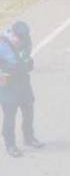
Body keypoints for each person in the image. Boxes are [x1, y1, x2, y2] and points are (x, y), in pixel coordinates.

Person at [0, 24, 37, 157]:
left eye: (22, 39)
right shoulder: (2, 46)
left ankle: (29, 137)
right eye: (17, 38)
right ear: (12, 34)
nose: (19, 41)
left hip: (23, 82)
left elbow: (27, 60)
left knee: (28, 110)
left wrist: (25, 65)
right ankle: (10, 145)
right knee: (10, 117)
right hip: (7, 86)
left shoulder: (26, 41)